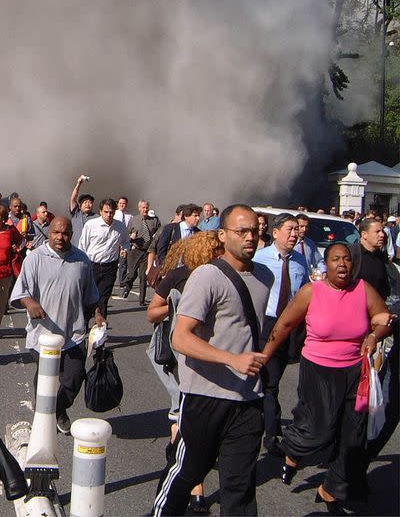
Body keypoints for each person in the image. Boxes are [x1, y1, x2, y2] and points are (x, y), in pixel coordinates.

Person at [151, 204, 274, 517]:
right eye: (241, 231)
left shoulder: (265, 276)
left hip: (247, 400)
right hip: (205, 398)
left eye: (255, 231)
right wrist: (231, 359)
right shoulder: (207, 276)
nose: (250, 237)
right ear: (223, 234)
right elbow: (181, 337)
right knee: (185, 476)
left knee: (240, 489)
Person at [260, 242, 392, 514]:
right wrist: (264, 357)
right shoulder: (312, 292)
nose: (342, 264)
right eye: (335, 259)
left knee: (353, 436)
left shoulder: (362, 289)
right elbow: (284, 324)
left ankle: (331, 489)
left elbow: (383, 316)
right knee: (318, 431)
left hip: (355, 372)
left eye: (346, 259)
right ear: (326, 264)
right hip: (318, 370)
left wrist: (373, 334)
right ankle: (293, 452)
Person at [146, 230, 223, 514]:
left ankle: (182, 465)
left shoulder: (226, 277)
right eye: (216, 250)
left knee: (197, 422)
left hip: (213, 358)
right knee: (184, 415)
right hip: (180, 359)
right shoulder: (179, 276)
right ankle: (193, 485)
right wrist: (177, 307)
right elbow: (152, 313)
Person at [10, 216, 102, 434]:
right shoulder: (35, 258)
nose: (61, 237)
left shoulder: (81, 260)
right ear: (49, 233)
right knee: (46, 377)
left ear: (71, 234)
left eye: (66, 233)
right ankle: (44, 414)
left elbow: (91, 295)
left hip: (74, 333)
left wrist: (98, 314)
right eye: (56, 233)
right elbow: (21, 291)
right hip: (44, 334)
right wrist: (30, 303)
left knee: (74, 377)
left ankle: (57, 409)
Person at [252, 213, 309, 457]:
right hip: (266, 323)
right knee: (268, 380)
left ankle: (265, 425)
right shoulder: (260, 258)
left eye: (297, 229)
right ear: (275, 233)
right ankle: (270, 433)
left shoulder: (300, 261)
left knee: (273, 379)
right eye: (289, 229)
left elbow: (304, 292)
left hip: (290, 327)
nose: (294, 234)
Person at [78, 198, 129, 320]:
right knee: (88, 298)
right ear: (100, 211)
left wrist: (124, 249)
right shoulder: (91, 225)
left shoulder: (120, 227)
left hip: (109, 267)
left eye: (111, 212)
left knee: (103, 298)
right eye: (106, 212)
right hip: (92, 266)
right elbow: (82, 246)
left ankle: (100, 330)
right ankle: (83, 326)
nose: (109, 215)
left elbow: (126, 241)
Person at [121, 200, 160, 300]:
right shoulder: (134, 220)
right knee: (132, 274)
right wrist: (131, 236)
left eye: (147, 207)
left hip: (147, 251)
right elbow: (126, 235)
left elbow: (159, 234)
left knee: (143, 276)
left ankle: (142, 300)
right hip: (135, 250)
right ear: (139, 208)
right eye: (143, 208)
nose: (145, 210)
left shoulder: (154, 220)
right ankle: (127, 287)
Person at [68, 175, 97, 245]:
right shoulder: (76, 213)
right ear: (80, 206)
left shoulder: (97, 217)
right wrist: (78, 184)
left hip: (90, 250)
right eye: (85, 202)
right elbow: (73, 199)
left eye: (90, 202)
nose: (87, 204)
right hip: (74, 248)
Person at [114, 197, 133, 285]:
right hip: (114, 240)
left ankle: (122, 281)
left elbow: (132, 229)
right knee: (113, 261)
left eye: (124, 203)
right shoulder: (113, 214)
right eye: (120, 203)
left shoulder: (130, 216)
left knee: (123, 262)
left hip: (124, 241)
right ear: (118, 204)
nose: (122, 205)